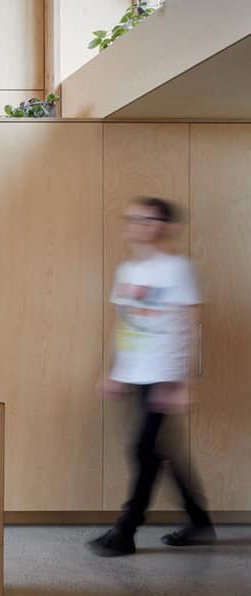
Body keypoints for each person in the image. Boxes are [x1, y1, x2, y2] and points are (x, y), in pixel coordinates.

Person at [89, 196, 215, 556]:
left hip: (165, 374)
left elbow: (193, 327)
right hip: (135, 375)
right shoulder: (127, 272)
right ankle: (199, 520)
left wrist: (184, 381)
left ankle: (126, 531)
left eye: (145, 218)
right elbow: (122, 325)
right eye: (132, 218)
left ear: (164, 226)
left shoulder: (178, 269)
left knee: (144, 449)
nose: (136, 224)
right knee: (159, 450)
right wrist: (111, 371)